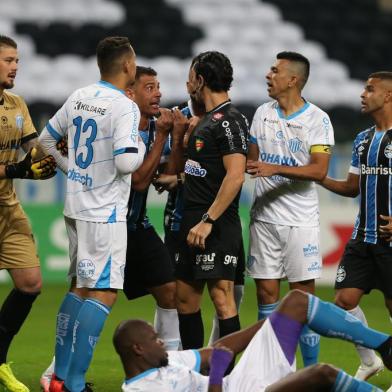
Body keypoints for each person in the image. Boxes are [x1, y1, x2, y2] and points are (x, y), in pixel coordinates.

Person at [38, 36, 145, 392]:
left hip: (75, 207)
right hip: (105, 213)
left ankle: (60, 378)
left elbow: (45, 141)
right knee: (103, 293)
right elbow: (127, 161)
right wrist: (142, 143)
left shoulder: (79, 96)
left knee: (80, 289)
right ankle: (75, 383)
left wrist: (73, 171)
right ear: (128, 66)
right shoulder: (125, 106)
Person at [113, 289, 391, 391]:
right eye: (154, 339)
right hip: (227, 387)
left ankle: (384, 344)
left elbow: (217, 351)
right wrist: (217, 374)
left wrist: (276, 321)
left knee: (295, 303)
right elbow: (218, 365)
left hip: (236, 383)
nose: (162, 341)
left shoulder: (166, 360)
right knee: (322, 374)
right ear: (137, 349)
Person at [246, 51, 335, 366]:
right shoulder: (261, 114)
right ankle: (273, 370)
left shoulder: (318, 119)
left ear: (293, 79)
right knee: (266, 296)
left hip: (300, 221)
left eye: (275, 70)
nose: (269, 75)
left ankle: (311, 371)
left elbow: (319, 171)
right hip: (263, 218)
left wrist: (276, 169)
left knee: (302, 300)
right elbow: (253, 163)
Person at [319, 71, 392, 381]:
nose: (363, 94)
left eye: (370, 89)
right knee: (344, 302)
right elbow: (352, 187)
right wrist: (316, 176)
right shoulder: (362, 139)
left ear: (388, 96)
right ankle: (371, 360)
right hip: (363, 237)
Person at [174, 51, 249, 350]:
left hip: (215, 224)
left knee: (222, 296)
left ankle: (226, 377)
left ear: (201, 80)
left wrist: (207, 222)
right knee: (184, 298)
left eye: (191, 77)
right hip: (192, 218)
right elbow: (205, 171)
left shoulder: (229, 120)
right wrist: (177, 179)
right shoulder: (205, 120)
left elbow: (235, 176)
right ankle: (194, 372)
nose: (187, 83)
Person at [0, 35, 56, 392]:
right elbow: (14, 166)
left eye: (17, 60)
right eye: (8, 60)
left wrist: (44, 158)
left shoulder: (16, 103)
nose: (15, 66)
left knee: (31, 283)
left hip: (8, 210)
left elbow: (31, 146)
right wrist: (16, 171)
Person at [122, 65, 184, 351]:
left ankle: (167, 367)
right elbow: (138, 182)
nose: (158, 93)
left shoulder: (158, 129)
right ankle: (57, 370)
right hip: (109, 226)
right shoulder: (122, 129)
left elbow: (166, 177)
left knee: (169, 292)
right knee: (91, 297)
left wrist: (177, 135)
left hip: (138, 226)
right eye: (150, 87)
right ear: (129, 93)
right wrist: (161, 137)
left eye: (158, 86)